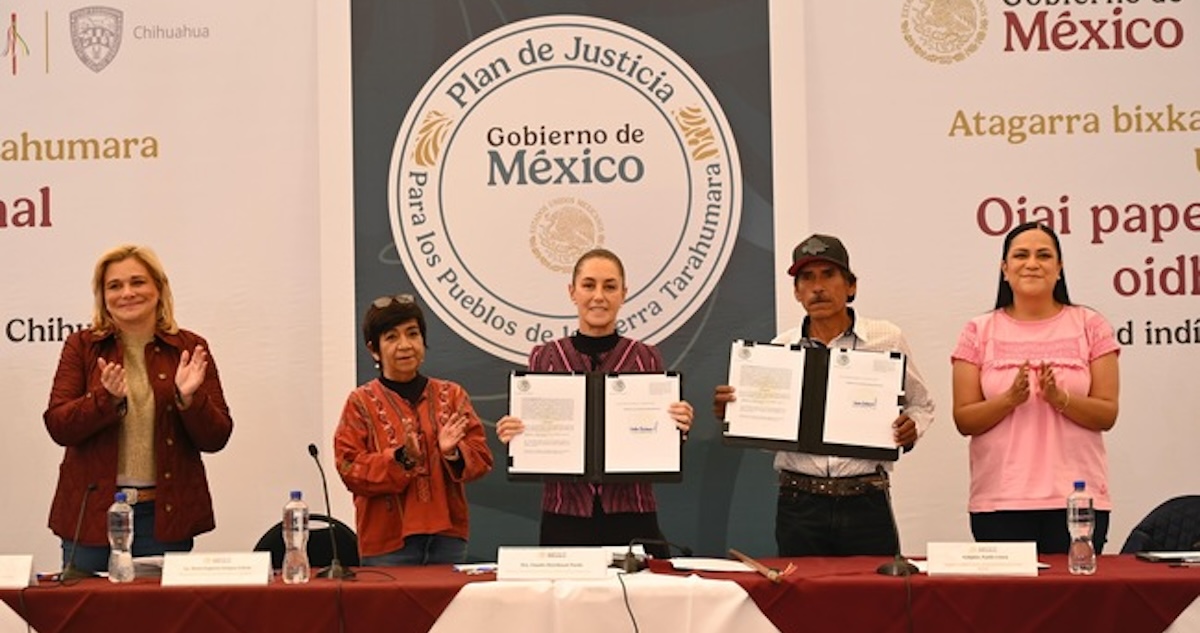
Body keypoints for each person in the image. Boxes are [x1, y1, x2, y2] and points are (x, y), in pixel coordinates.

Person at [713, 234, 935, 556]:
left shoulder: (887, 338)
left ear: (851, 285)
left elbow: (921, 403)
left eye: (828, 275)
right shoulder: (779, 350)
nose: (818, 287)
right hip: (799, 503)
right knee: (804, 603)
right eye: (807, 278)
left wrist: (910, 428)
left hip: (866, 501)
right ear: (797, 292)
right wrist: (738, 413)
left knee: (874, 602)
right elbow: (769, 434)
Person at [44, 245, 234, 574]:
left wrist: (189, 399)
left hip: (163, 516)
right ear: (102, 296)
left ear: (158, 288)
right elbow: (59, 426)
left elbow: (216, 437)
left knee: (159, 622)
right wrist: (105, 399)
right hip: (91, 515)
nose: (127, 293)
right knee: (85, 621)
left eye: (138, 282)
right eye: (114, 286)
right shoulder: (81, 346)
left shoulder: (189, 347)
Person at [495, 249, 694, 556]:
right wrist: (516, 434)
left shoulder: (646, 357)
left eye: (610, 286)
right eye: (588, 285)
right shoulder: (544, 357)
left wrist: (677, 425)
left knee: (640, 598)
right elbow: (532, 432)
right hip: (565, 512)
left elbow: (660, 435)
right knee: (566, 601)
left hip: (632, 511)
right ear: (572, 292)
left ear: (624, 294)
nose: (598, 296)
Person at [951, 221, 1119, 554]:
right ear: (1005, 268)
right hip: (1000, 501)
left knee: (1076, 603)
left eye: (1044, 255)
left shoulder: (1091, 325)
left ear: (1059, 268)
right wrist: (1009, 400)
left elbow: (1107, 414)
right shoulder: (978, 330)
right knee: (1008, 606)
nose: (1032, 263)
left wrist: (1061, 399)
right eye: (1021, 255)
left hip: (1077, 502)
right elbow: (964, 420)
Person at [334, 294, 493, 566]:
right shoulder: (359, 402)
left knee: (449, 610)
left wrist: (453, 452)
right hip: (386, 542)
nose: (405, 345)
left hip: (448, 539)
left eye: (412, 334)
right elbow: (349, 468)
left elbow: (482, 458)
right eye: (392, 337)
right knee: (389, 611)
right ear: (374, 350)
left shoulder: (452, 394)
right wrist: (400, 458)